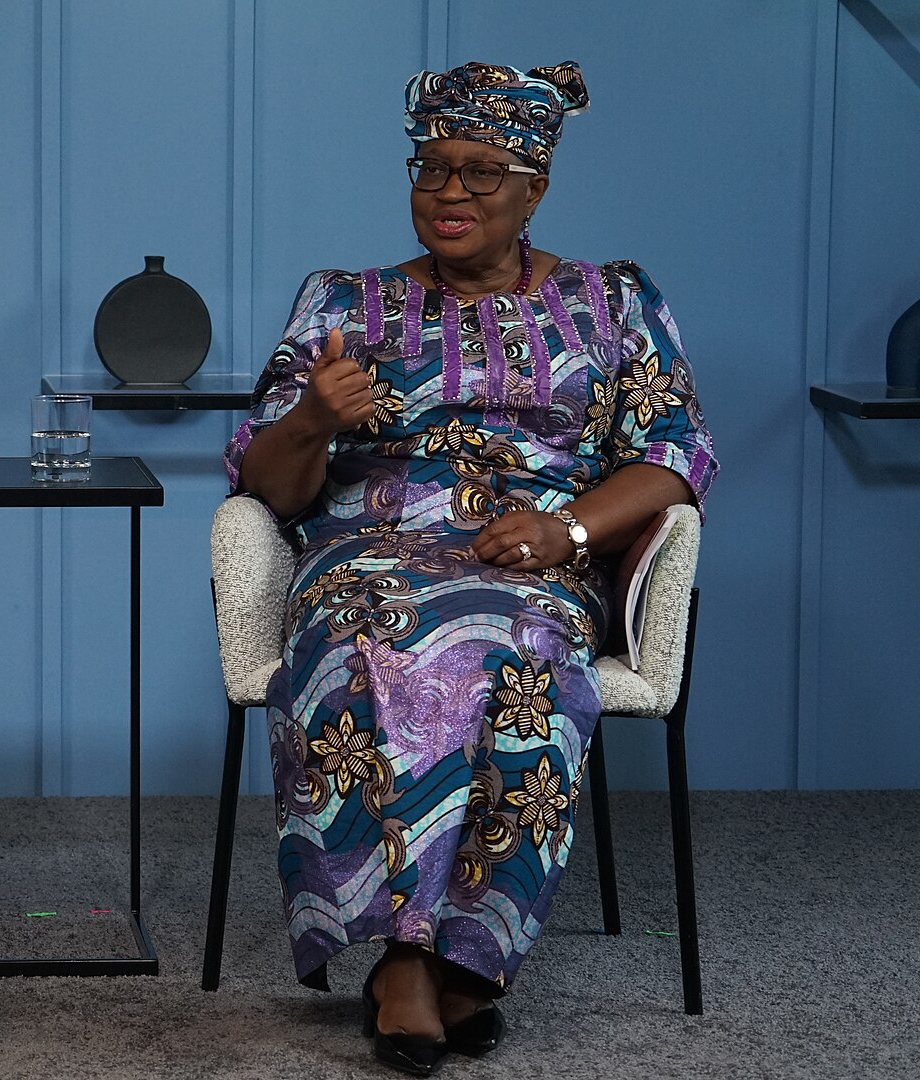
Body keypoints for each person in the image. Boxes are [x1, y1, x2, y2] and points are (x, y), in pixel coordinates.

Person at [226, 61, 717, 1077]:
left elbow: (672, 456)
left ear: (535, 186)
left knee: (518, 641)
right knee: (370, 637)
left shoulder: (614, 302)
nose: (450, 193)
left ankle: (465, 955)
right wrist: (317, 415)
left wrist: (567, 533)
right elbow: (269, 485)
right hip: (365, 550)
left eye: (481, 173)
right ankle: (415, 962)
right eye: (432, 170)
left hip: (531, 557)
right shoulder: (342, 303)